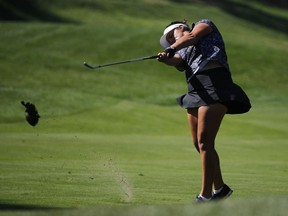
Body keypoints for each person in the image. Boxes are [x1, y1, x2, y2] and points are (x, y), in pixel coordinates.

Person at [157, 19, 251, 202]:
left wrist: (172, 47)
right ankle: (221, 189)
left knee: (205, 141)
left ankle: (205, 196)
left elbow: (192, 37)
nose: (170, 40)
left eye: (170, 36)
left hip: (215, 85)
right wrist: (166, 59)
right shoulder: (180, 49)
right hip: (195, 91)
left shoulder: (204, 25)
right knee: (198, 144)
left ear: (179, 28)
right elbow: (177, 60)